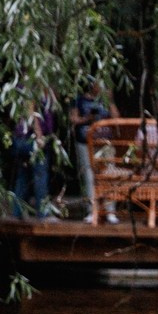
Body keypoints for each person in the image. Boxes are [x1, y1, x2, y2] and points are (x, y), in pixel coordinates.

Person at [67, 80, 113, 222]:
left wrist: (110, 101)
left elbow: (116, 117)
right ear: (92, 85)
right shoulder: (79, 101)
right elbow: (73, 119)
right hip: (85, 143)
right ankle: (91, 211)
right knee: (89, 175)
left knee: (109, 175)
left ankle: (110, 211)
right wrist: (88, 118)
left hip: (104, 143)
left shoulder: (105, 100)